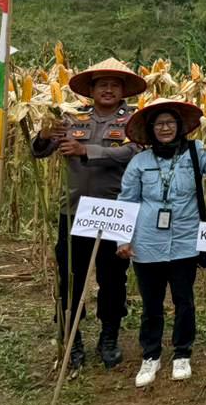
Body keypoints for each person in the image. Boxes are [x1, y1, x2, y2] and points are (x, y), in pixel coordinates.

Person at [31, 57, 144, 372]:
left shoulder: (133, 121)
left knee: (113, 278)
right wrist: (44, 136)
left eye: (114, 85)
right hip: (74, 210)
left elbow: (134, 151)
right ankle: (71, 336)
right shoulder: (71, 116)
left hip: (115, 210)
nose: (108, 90)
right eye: (102, 85)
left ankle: (109, 335)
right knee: (71, 276)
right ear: (91, 90)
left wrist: (88, 151)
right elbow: (39, 152)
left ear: (123, 91)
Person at [116, 99, 206, 386]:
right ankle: (151, 355)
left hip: (185, 239)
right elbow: (127, 199)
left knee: (184, 300)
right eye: (159, 124)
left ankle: (182, 353)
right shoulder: (140, 162)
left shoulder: (197, 151)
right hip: (147, 242)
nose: (165, 128)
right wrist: (122, 239)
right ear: (151, 130)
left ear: (179, 127)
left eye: (170, 123)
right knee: (151, 303)